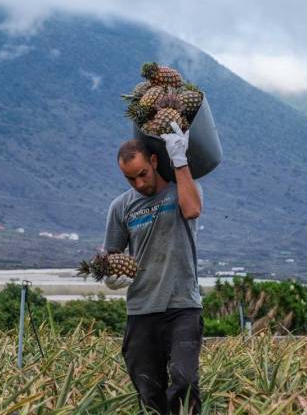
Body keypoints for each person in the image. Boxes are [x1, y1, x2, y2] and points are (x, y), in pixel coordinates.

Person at [103, 122, 204, 415]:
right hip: (141, 310)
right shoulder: (121, 207)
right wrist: (110, 273)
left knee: (185, 381)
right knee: (149, 392)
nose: (138, 184)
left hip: (182, 306)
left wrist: (180, 160)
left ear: (155, 161)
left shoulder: (182, 191)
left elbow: (193, 210)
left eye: (143, 174)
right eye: (129, 179)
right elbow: (112, 253)